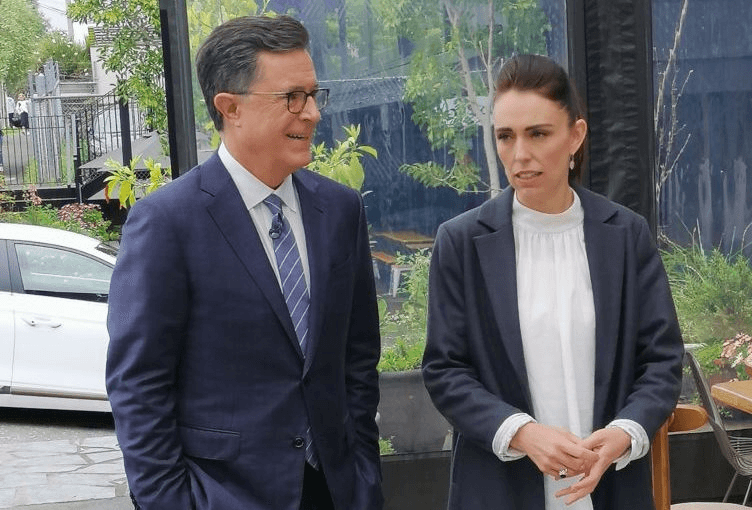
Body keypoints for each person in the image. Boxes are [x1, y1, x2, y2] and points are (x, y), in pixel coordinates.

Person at [106, 15, 383, 510]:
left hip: (338, 490)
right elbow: (139, 387)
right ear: (230, 108)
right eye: (292, 98)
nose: (313, 113)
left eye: (315, 95)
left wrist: (363, 473)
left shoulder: (341, 210)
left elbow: (356, 358)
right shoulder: (166, 222)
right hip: (223, 495)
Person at [422, 54, 684, 510]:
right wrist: (523, 433)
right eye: (505, 136)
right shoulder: (460, 242)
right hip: (499, 491)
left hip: (612, 490)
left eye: (538, 134)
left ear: (575, 136)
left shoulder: (626, 235)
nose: (520, 154)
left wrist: (624, 433)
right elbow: (445, 371)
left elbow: (661, 361)